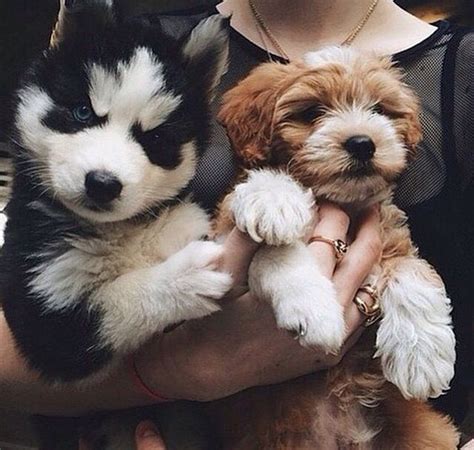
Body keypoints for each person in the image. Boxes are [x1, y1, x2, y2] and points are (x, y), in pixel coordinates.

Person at [0, 0, 471, 443]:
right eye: (311, 113)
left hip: (401, 429)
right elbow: (24, 307)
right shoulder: (149, 54)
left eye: (381, 111)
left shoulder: (461, 74)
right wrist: (182, 368)